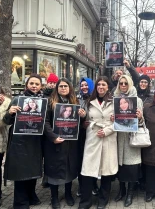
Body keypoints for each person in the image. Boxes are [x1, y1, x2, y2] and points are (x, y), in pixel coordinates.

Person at [3, 74, 45, 209]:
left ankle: (31, 195)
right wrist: (10, 112)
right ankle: (20, 202)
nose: (34, 86)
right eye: (31, 83)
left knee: (33, 170)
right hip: (19, 141)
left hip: (35, 141)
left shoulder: (44, 101)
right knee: (21, 172)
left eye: (37, 84)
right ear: (26, 85)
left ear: (40, 86)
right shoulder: (17, 99)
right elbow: (6, 121)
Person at [43, 78, 85, 208]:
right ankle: (54, 197)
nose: (63, 88)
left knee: (69, 169)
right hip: (55, 142)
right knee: (54, 170)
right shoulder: (50, 102)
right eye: (60, 86)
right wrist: (53, 137)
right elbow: (45, 122)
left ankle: (68, 194)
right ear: (57, 88)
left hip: (71, 144)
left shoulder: (75, 102)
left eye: (65, 86)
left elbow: (80, 124)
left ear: (70, 88)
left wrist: (83, 116)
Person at [79, 76, 117, 209]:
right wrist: (83, 118)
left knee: (106, 171)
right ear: (96, 87)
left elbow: (120, 122)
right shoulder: (89, 101)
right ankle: (85, 201)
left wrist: (107, 131)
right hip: (93, 138)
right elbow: (86, 120)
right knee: (88, 171)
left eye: (104, 85)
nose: (101, 87)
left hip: (108, 138)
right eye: (99, 84)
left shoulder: (114, 102)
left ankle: (103, 199)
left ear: (108, 87)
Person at [112, 75, 144, 207]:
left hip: (132, 138)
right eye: (121, 83)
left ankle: (130, 193)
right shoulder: (115, 99)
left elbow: (142, 122)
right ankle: (122, 190)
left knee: (131, 168)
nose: (123, 85)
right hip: (119, 137)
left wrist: (140, 117)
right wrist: (112, 118)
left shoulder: (138, 100)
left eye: (126, 83)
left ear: (130, 84)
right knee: (121, 166)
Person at [76, 77, 99, 198]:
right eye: (82, 85)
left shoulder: (95, 99)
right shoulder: (76, 99)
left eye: (86, 85)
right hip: (80, 135)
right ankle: (81, 186)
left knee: (92, 160)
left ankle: (93, 184)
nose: (84, 87)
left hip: (93, 134)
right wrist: (82, 121)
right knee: (81, 160)